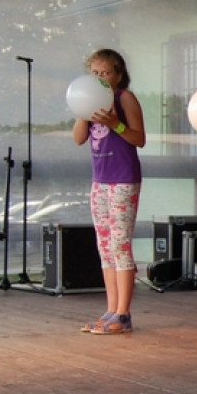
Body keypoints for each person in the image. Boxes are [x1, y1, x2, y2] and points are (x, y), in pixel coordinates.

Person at [73, 48, 145, 334]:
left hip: (123, 179)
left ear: (118, 75)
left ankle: (124, 314)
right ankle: (111, 309)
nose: (99, 78)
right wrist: (83, 112)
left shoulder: (124, 98)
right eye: (94, 73)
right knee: (105, 248)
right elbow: (79, 138)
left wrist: (115, 123)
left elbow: (139, 138)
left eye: (105, 73)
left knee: (120, 244)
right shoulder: (90, 104)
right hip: (99, 180)